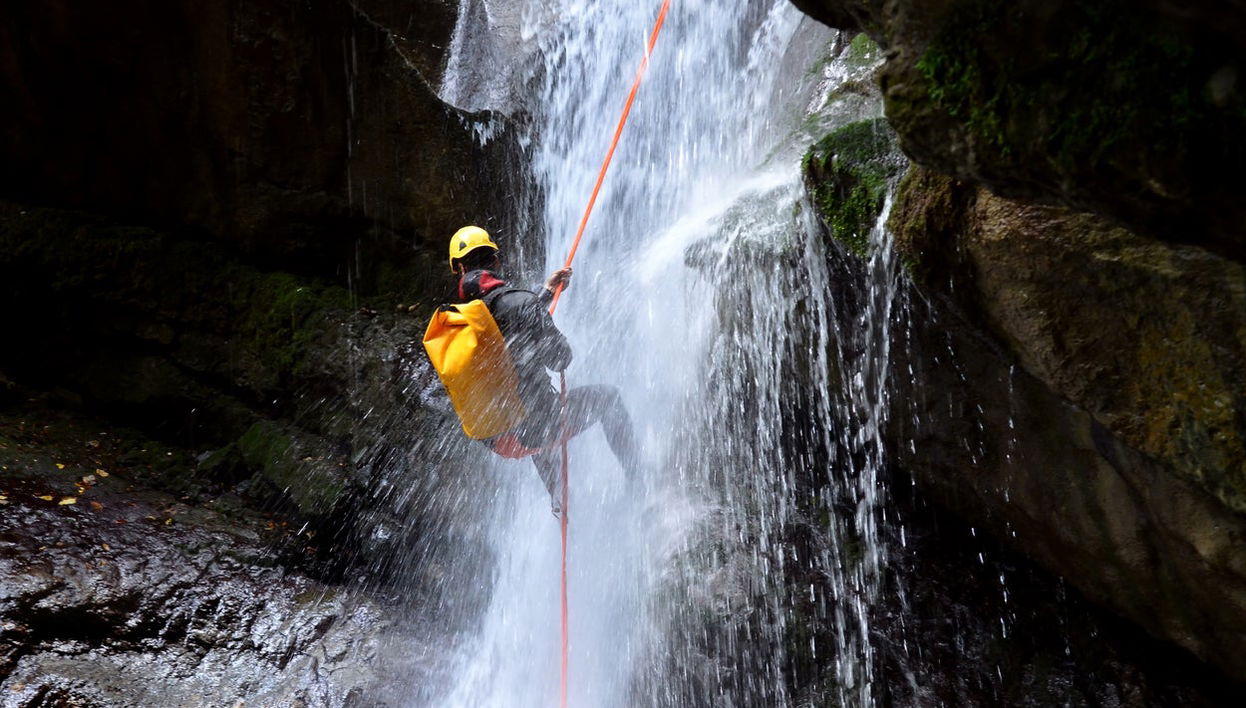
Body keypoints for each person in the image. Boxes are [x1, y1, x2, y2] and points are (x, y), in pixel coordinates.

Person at [446, 225, 641, 515]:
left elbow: (505, 322)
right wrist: (540, 322)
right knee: (605, 399)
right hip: (533, 430)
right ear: (496, 262)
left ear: (460, 269)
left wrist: (546, 294)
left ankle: (558, 495)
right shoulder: (521, 303)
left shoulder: (460, 320)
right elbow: (560, 359)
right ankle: (640, 479)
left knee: (527, 408)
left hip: (496, 438)